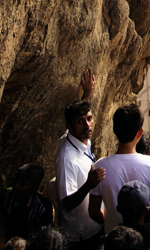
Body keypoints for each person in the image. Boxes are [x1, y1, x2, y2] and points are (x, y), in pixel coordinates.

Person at [88, 104, 150, 234]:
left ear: (114, 130)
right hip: (144, 238)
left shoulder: (100, 167)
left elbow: (94, 212)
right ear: (140, 133)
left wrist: (109, 222)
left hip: (114, 239)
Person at [54, 99, 105, 249]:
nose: (87, 125)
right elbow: (67, 203)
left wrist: (87, 94)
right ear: (69, 126)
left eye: (89, 119)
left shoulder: (76, 139)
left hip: (93, 224)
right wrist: (89, 184)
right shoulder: (67, 158)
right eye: (80, 121)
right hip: (81, 234)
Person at [2, 163, 53, 242]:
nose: (16, 185)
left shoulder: (41, 207)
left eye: (23, 184)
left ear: (34, 188)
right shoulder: (6, 197)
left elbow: (46, 237)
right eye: (16, 180)